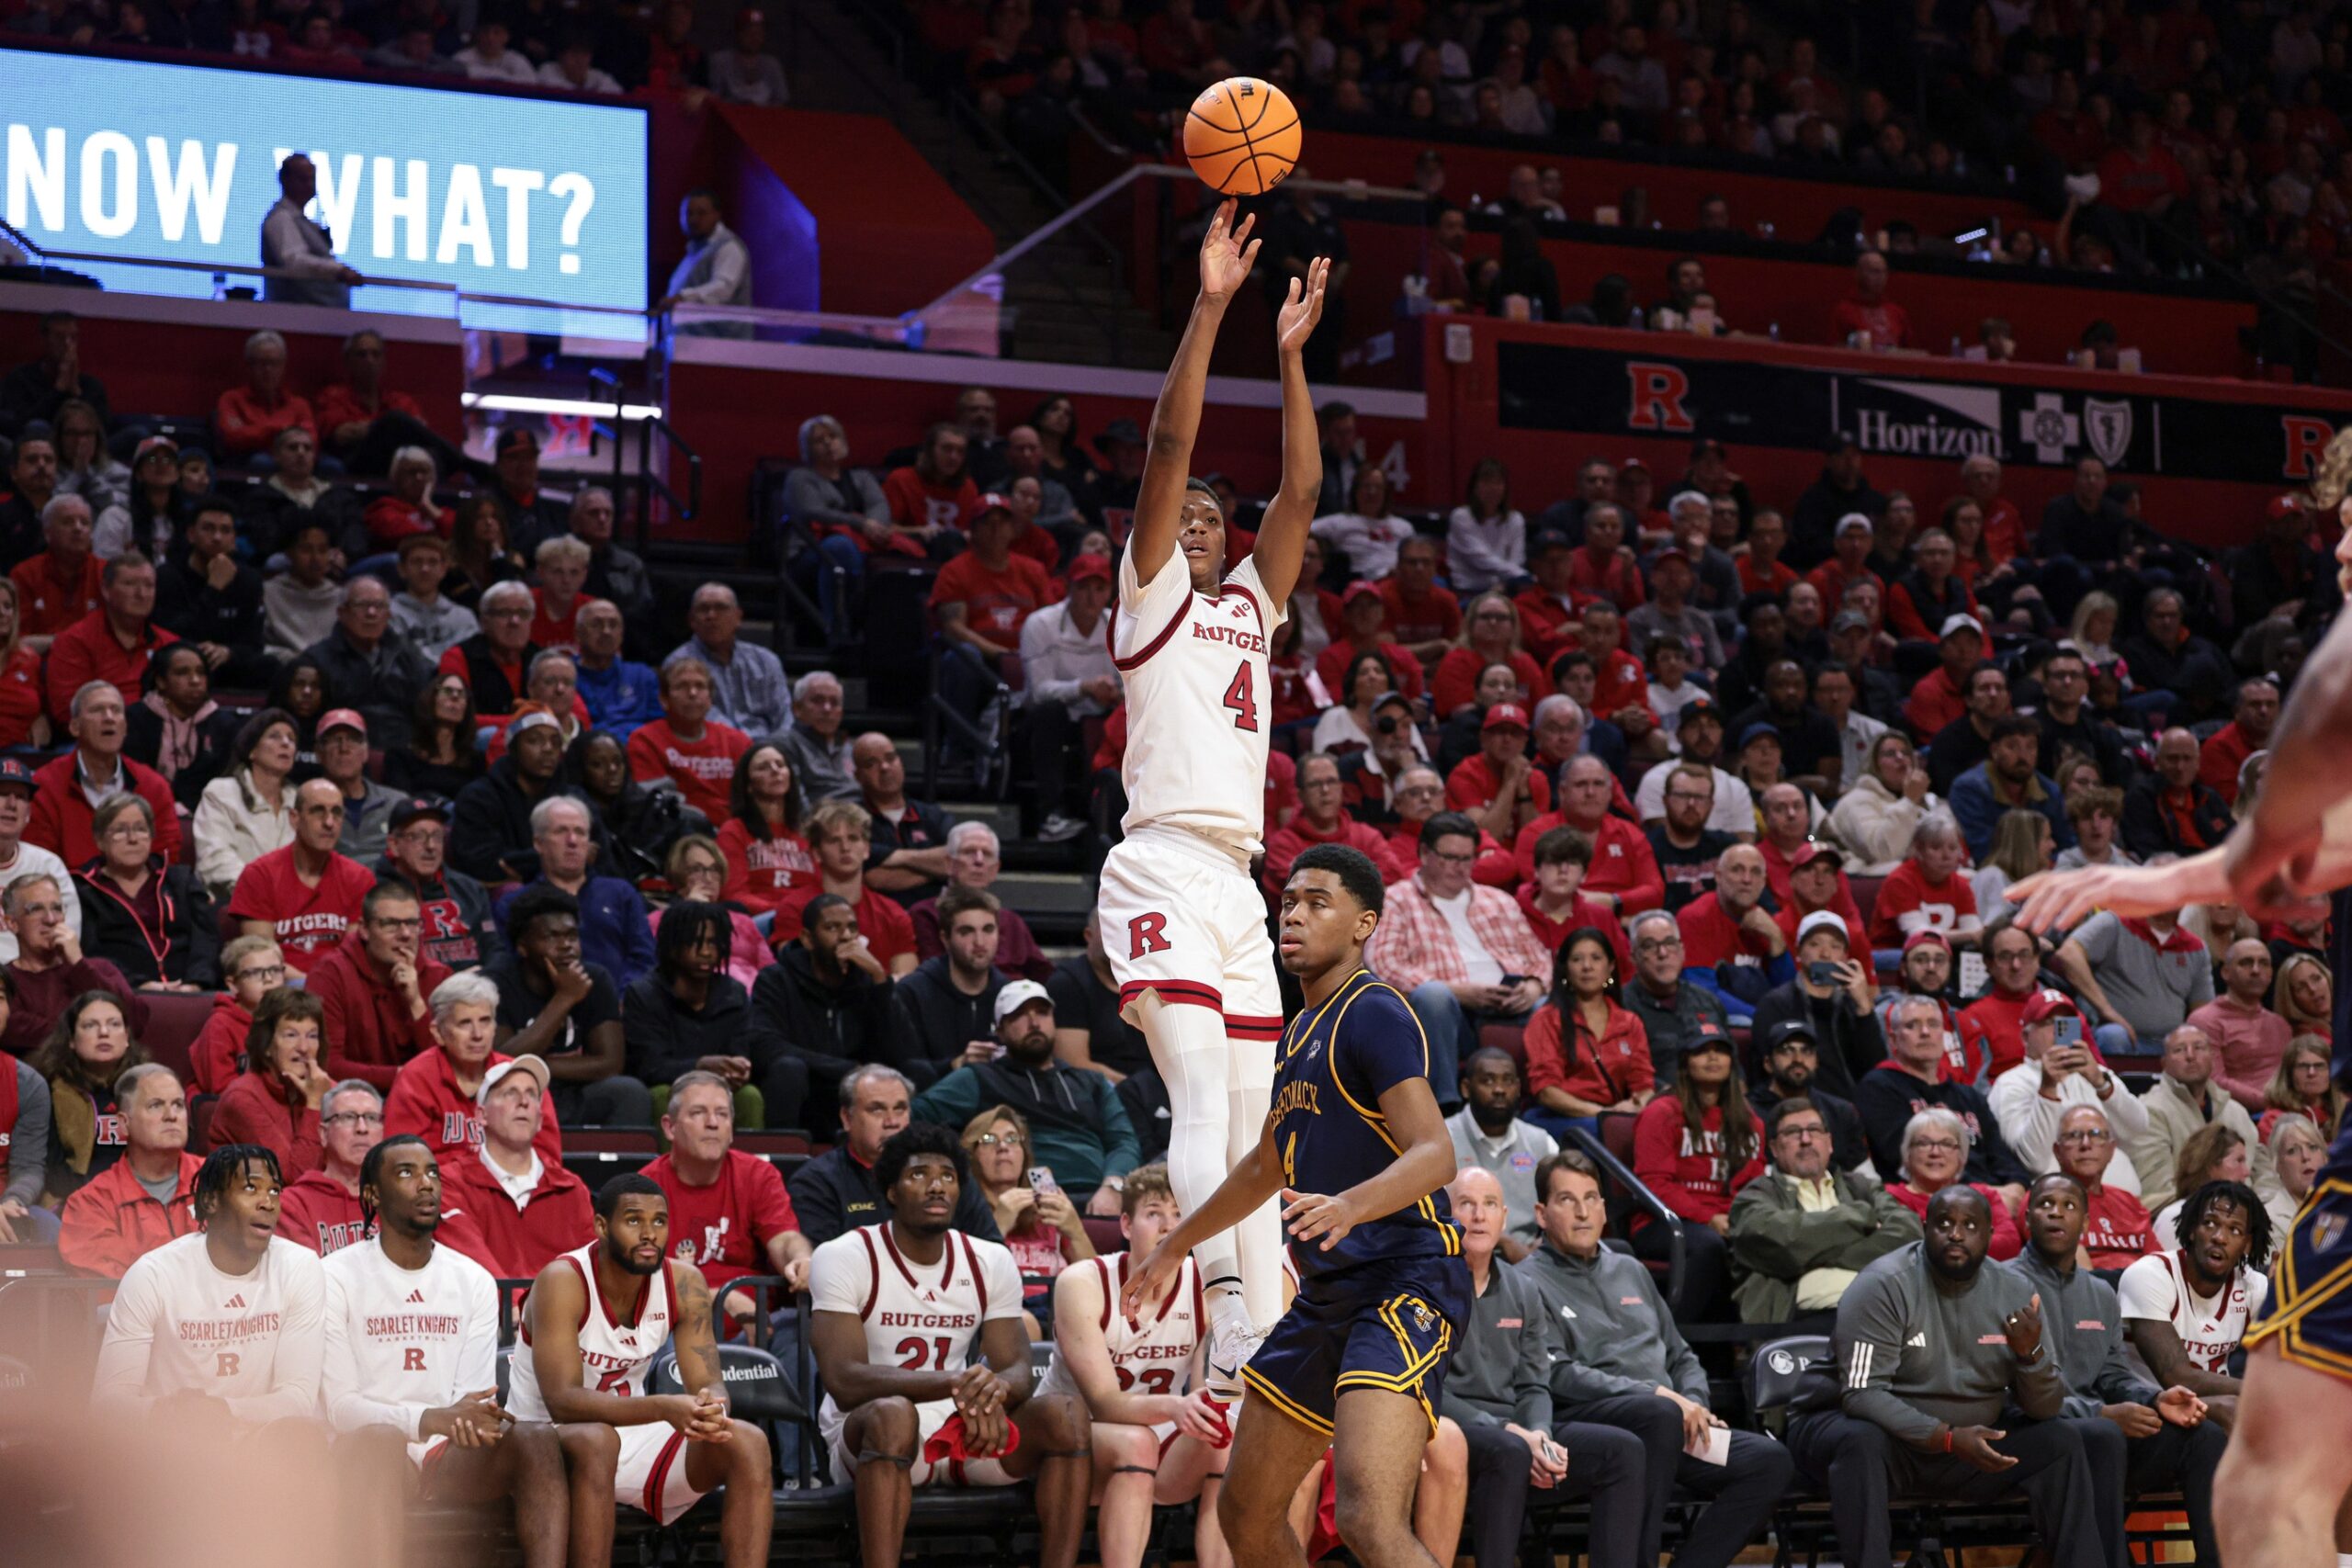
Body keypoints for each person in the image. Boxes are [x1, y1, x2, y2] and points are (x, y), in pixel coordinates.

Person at [1082, 205, 1329, 1404]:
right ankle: (1224, 1312)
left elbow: (1303, 489)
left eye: (1207, 517)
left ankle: (1265, 1354)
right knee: (1195, 1087)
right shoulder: (1151, 600)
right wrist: (1215, 305)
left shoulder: (1250, 607)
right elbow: (1168, 442)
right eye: (1178, 515)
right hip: (1161, 861)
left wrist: (1289, 358)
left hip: (1239, 880)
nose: (1193, 519)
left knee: (1258, 1122)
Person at [1121, 841, 1465, 1568]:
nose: (1295, 916)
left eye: (1318, 902)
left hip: (1404, 1279)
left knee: (1371, 1518)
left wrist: (1349, 1206)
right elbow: (1266, 1164)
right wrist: (1177, 1242)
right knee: (1246, 1511)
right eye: (1289, 902)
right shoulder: (1299, 1030)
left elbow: (1437, 1153)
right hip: (1329, 1290)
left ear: (1364, 922)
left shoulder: (1374, 1012)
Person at [1784, 1186, 2109, 1568]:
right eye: (1944, 1224)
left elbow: (2046, 1408)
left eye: (1970, 1225)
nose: (1956, 1234)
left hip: (1967, 1447)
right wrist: (1948, 1438)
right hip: (1874, 1438)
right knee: (1861, 1441)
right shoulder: (1884, 1283)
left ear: (1990, 1236)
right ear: (1925, 1229)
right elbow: (1861, 1394)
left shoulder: (2015, 1289)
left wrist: (2031, 1356)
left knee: (2061, 1440)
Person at [809, 1125, 1086, 1568]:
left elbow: (1016, 1368)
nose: (937, 1184)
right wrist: (961, 1384)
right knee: (892, 1412)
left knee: (1065, 1414)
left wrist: (988, 1396)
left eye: (948, 1176)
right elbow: (844, 1379)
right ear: (891, 1191)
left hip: (964, 1428)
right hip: (870, 1433)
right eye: (919, 1174)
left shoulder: (990, 1259)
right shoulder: (844, 1255)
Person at [1515, 1150, 1796, 1567]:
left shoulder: (1630, 1269)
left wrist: (1695, 1402)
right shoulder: (1527, 1280)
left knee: (1770, 1462)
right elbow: (1556, 1373)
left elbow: (1680, 1353)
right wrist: (1661, 1395)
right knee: (1657, 1415)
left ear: (1605, 1209)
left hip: (1672, 1424)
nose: (1582, 1212)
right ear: (1541, 1213)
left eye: (1591, 1198)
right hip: (1598, 1424)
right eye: (1566, 1200)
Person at [319, 1136, 573, 1568]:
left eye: (432, 1173)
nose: (426, 1185)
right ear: (372, 1195)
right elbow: (341, 1408)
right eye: (407, 1173)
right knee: (380, 1441)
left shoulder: (472, 1279)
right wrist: (427, 1419)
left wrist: (463, 1423)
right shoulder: (333, 1276)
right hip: (367, 1451)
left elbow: (472, 1399)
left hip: (446, 1451)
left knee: (536, 1439)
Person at [506, 1172, 775, 1567]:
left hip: (625, 1434)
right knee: (597, 1442)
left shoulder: (685, 1283)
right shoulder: (562, 1280)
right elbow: (563, 1401)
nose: (649, 1233)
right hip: (544, 1441)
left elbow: (708, 1379)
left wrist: (711, 1406)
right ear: (601, 1226)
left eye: (659, 1221)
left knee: (747, 1442)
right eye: (633, 1220)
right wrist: (665, 1408)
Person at [2013, 1171, 2230, 1568]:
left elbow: (2112, 1375)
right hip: (2038, 1434)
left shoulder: (2099, 1293)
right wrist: (2101, 1414)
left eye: (2069, 1205)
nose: (2056, 1214)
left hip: (2101, 1432)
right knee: (2103, 1436)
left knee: (2205, 1436)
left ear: (2087, 1223)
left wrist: (2155, 1398)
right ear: (2027, 1218)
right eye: (2045, 1205)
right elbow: (2010, 1391)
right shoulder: (2001, 1284)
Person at [92, 1142, 325, 1421]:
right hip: (168, 1444)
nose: (268, 1203)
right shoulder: (153, 1274)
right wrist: (169, 1412)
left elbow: (298, 1397)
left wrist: (221, 1412)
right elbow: (108, 1403)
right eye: (250, 1188)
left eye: (274, 1191)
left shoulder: (300, 1266)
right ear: (210, 1201)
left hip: (262, 1450)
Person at [1365, 812, 1548, 1106]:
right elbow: (1384, 963)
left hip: (1511, 1001)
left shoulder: (1498, 900)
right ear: (1425, 853)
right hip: (1450, 1010)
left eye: (1467, 859)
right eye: (1449, 857)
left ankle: (1543, 1097)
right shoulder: (1398, 899)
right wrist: (1458, 991)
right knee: (1433, 996)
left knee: (1548, 1006)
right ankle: (1444, 1104)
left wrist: (1534, 986)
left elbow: (1539, 958)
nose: (1459, 867)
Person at [914, 977, 1137, 1206]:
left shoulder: (1091, 1081)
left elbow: (1124, 1141)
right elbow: (916, 1114)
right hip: (1022, 1202)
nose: (1034, 1023)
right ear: (1000, 1030)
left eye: (1042, 1012)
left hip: (1098, 1198)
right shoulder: (979, 1078)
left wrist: (1113, 1185)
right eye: (1019, 1015)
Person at [1728, 1097, 1922, 1328]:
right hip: (1803, 1321)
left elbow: (1908, 1234)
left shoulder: (1861, 1187)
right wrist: (1860, 1217)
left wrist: (1812, 1254)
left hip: (1882, 1315)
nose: (1806, 1140)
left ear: (1829, 1142)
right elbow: (1780, 1242)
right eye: (1792, 1132)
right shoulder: (1757, 1195)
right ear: (1774, 1149)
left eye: (1814, 1130)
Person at [645, 1068, 811, 1327]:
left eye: (722, 1114)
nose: (713, 1123)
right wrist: (724, 1299)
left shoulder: (758, 1175)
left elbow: (785, 1239)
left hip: (760, 1331)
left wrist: (801, 1260)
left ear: (731, 1128)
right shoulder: (644, 1188)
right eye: (698, 1113)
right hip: (674, 1332)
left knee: (800, 1329)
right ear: (670, 1127)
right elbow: (636, 1285)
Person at [483, 886, 650, 1132]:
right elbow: (503, 1065)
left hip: (577, 1090)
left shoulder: (594, 978)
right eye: (551, 937)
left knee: (629, 1092)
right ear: (522, 946)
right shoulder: (497, 983)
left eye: (572, 936)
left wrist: (539, 1065)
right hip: (518, 1093)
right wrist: (564, 998)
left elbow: (610, 1063)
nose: (566, 946)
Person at [1859, 994, 2033, 1197]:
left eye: (1933, 1024)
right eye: (1912, 1025)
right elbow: (1909, 1162)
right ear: (1893, 1040)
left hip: (1993, 1199)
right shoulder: (1878, 1088)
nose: (1925, 1032)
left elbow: (2002, 1156)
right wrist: (1987, 1194)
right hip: (1927, 1205)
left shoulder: (1969, 1096)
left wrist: (2017, 1186)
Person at [438, 1056, 591, 1279]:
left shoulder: (571, 1189)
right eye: (509, 1093)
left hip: (561, 1312)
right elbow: (466, 1263)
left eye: (532, 1094)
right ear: (481, 1116)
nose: (523, 1101)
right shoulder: (452, 1183)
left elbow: (590, 1271)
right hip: (488, 1311)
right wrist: (516, 1305)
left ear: (540, 1119)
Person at [1988, 988, 2151, 1192]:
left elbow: (2139, 1129)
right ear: (2025, 1036)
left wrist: (2101, 1083)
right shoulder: (2011, 1083)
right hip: (2060, 1203)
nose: (2059, 1032)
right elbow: (2032, 1160)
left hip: (2120, 1201)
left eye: (2066, 1023)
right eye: (2049, 1023)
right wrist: (2047, 1089)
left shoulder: (2096, 1073)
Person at [620, 900, 760, 1120]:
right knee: (661, 1096)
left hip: (718, 1087)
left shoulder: (734, 993)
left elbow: (740, 1051)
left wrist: (739, 1069)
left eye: (713, 943)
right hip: (667, 1085)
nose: (705, 952)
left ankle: (744, 1156)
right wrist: (701, 1066)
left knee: (749, 1096)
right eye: (694, 942)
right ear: (672, 946)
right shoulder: (643, 994)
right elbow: (648, 1067)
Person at [57, 1064, 200, 1278]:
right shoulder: (91, 1203)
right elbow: (113, 1286)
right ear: (124, 1124)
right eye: (155, 1106)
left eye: (178, 1105)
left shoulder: (221, 1180)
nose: (172, 1115)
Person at [493, 795, 652, 985]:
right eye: (561, 831)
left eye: (580, 832)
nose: (572, 841)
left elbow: (645, 958)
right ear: (538, 843)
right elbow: (508, 969)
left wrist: (622, 1001)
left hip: (621, 1006)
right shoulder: (514, 904)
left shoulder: (620, 892)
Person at [225, 780, 376, 976]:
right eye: (318, 811)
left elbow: (354, 957)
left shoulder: (360, 878)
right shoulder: (259, 875)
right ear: (295, 818)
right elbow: (262, 960)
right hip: (279, 993)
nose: (329, 822)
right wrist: (309, 987)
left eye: (337, 813)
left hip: (340, 991)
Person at [28, 681, 182, 869]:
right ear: (75, 727)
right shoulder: (45, 784)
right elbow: (39, 859)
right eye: (97, 710)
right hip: (69, 892)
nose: (109, 718)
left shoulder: (153, 785)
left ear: (125, 727)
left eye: (116, 710)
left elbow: (166, 854)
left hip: (137, 891)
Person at [72, 794, 215, 990]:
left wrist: (196, 983)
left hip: (190, 991)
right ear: (99, 840)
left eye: (140, 829)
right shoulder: (83, 889)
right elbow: (90, 952)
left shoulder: (180, 880)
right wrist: (139, 985)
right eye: (120, 831)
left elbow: (206, 938)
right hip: (120, 992)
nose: (132, 839)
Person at [1747, 911, 1884, 1100]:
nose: (1826, 954)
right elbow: (1764, 1072)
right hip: (1795, 1106)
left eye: (1835, 946)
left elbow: (1875, 1068)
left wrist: (1864, 1007)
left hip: (1851, 1110)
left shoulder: (1854, 1007)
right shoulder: (1775, 1004)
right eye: (1815, 944)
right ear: (1799, 952)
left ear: (1845, 957)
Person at [2053, 906, 2214, 1055]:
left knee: (2199, 1045)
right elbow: (2069, 954)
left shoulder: (2196, 947)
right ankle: (2110, 1085)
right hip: (2120, 1036)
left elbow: (2202, 1011)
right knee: (2113, 1035)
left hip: (2171, 1044)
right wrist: (2107, 1011)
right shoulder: (2114, 922)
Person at [209, 987, 332, 1179]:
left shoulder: (327, 1088)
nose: (303, 1048)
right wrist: (315, 1105)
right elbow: (292, 1179)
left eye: (312, 1036)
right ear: (266, 1045)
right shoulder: (242, 1099)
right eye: (291, 1035)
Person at [910, 822, 1050, 982]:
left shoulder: (1012, 921)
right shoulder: (925, 914)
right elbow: (933, 979)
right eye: (969, 852)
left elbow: (1045, 975)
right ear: (949, 864)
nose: (979, 861)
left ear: (995, 869)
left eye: (987, 854)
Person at [626, 658, 751, 828]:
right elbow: (655, 807)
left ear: (710, 699)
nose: (692, 693)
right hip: (677, 834)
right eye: (682, 686)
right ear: (664, 699)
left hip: (732, 834)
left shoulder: (737, 742)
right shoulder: (645, 740)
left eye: (700, 686)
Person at [1620, 908, 1735, 1089]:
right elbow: (1624, 1071)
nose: (1663, 953)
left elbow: (1734, 1065)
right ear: (1634, 957)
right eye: (1649, 945)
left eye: (1670, 942)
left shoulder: (1707, 1001)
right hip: (1659, 1106)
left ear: (1682, 950)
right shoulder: (1620, 1006)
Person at [2188, 937, 2293, 1113]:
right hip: (2235, 1116)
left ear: (2271, 974)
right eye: (2246, 963)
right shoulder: (2204, 1020)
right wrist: (2271, 1102)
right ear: (2225, 972)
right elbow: (2213, 1081)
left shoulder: (2280, 1024)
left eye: (2264, 963)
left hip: (2284, 1111)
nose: (2255, 970)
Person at [260, 153, 361, 308]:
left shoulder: (306, 222)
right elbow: (294, 261)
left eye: (312, 179)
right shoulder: (280, 219)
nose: (309, 185)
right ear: (285, 181)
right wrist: (338, 270)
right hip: (294, 317)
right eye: (302, 179)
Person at [652, 187, 753, 319]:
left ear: (717, 215)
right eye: (689, 213)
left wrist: (683, 297)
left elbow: (723, 289)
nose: (694, 220)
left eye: (701, 213)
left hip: (717, 338)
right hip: (686, 338)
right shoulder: (694, 252)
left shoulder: (729, 247)